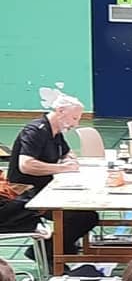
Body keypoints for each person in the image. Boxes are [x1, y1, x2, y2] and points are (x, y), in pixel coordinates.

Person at [3, 95, 98, 259]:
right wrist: (61, 168)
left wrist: (69, 161)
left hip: (46, 189)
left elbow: (68, 153)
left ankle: (62, 249)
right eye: (74, 118)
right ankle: (50, 253)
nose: (75, 124)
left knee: (85, 208)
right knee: (83, 217)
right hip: (27, 194)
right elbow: (26, 165)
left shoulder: (56, 132)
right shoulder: (35, 131)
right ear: (61, 111)